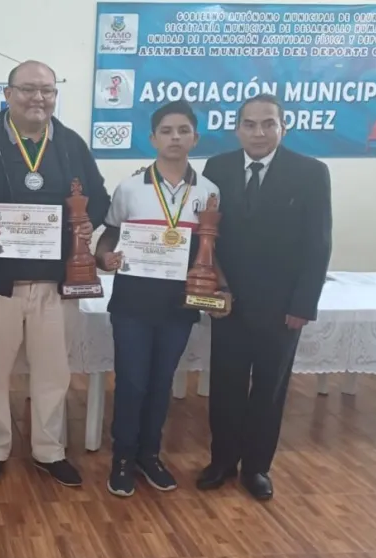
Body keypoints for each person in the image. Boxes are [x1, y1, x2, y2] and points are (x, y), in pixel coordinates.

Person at [0, 60, 110, 488]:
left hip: (56, 283)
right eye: (29, 89)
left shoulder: (69, 144)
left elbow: (100, 198)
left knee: (53, 372)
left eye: (47, 91)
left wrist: (87, 223)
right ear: (8, 93)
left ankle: (49, 451)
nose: (39, 98)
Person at [199, 94, 332, 500]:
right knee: (224, 385)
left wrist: (302, 304)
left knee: (269, 389)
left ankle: (256, 468)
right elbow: (208, 238)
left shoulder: (310, 172)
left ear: (282, 127)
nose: (259, 132)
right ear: (237, 128)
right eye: (250, 124)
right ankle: (221, 461)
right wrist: (211, 290)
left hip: (281, 308)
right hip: (228, 302)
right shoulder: (216, 168)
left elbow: (318, 243)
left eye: (267, 124)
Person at [94, 100, 226, 497]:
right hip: (133, 302)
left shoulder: (209, 191)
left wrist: (219, 288)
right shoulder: (131, 187)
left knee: (161, 382)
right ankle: (122, 457)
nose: (175, 137)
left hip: (179, 304)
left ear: (195, 137)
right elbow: (110, 235)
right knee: (132, 382)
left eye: (183, 130)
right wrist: (104, 257)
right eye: (166, 131)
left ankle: (149, 455)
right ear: (152, 138)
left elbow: (212, 248)